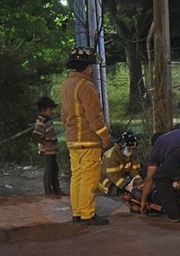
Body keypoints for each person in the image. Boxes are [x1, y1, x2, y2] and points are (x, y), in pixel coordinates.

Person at [60, 47, 111, 225]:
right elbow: (94, 116)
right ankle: (88, 214)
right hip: (88, 140)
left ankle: (77, 213)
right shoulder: (86, 86)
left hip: (72, 139)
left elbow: (63, 115)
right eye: (90, 65)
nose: (91, 69)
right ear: (87, 67)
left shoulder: (66, 85)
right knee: (89, 179)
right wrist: (105, 137)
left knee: (77, 177)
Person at [32, 96, 64, 196]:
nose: (52, 111)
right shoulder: (41, 121)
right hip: (46, 150)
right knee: (49, 171)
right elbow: (36, 136)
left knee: (55, 170)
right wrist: (45, 144)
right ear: (43, 110)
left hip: (52, 150)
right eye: (50, 109)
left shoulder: (48, 119)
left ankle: (57, 190)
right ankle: (48, 192)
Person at [98, 132, 143, 196]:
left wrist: (137, 178)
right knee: (120, 192)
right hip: (107, 181)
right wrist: (126, 186)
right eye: (128, 149)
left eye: (132, 148)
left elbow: (135, 169)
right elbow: (113, 176)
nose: (131, 151)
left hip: (123, 177)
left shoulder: (131, 154)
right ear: (121, 146)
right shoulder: (111, 156)